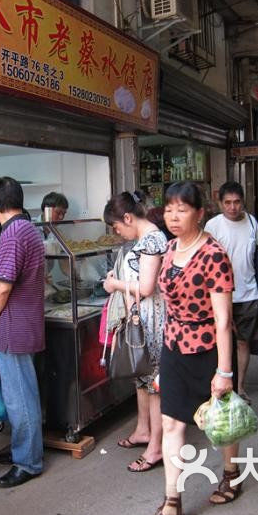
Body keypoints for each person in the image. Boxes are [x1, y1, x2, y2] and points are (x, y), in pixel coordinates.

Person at [151, 181, 240, 515]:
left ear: (200, 213)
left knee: (220, 423)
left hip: (207, 349)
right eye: (169, 209)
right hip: (174, 346)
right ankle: (172, 501)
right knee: (171, 423)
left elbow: (223, 319)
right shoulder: (171, 247)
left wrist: (225, 371)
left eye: (182, 209)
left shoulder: (214, 254)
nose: (173, 216)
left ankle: (231, 473)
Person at [0, 177, 45, 488]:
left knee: (19, 398)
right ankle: (24, 449)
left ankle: (28, 462)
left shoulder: (13, 234)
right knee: (23, 393)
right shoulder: (28, 228)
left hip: (13, 326)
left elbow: (1, 286)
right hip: (25, 322)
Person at [102, 192, 167, 473]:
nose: (118, 232)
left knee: (155, 388)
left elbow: (146, 287)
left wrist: (115, 284)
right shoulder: (145, 239)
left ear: (128, 218)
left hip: (153, 321)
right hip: (143, 318)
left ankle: (156, 447)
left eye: (117, 226)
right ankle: (147, 435)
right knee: (147, 384)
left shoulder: (152, 240)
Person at [204, 181, 258, 404]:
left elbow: (257, 254)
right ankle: (218, 386)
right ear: (220, 203)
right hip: (218, 295)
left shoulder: (252, 223)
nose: (233, 207)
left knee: (243, 342)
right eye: (227, 203)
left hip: (248, 293)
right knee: (219, 342)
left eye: (237, 202)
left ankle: (240, 387)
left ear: (243, 201)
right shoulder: (213, 226)